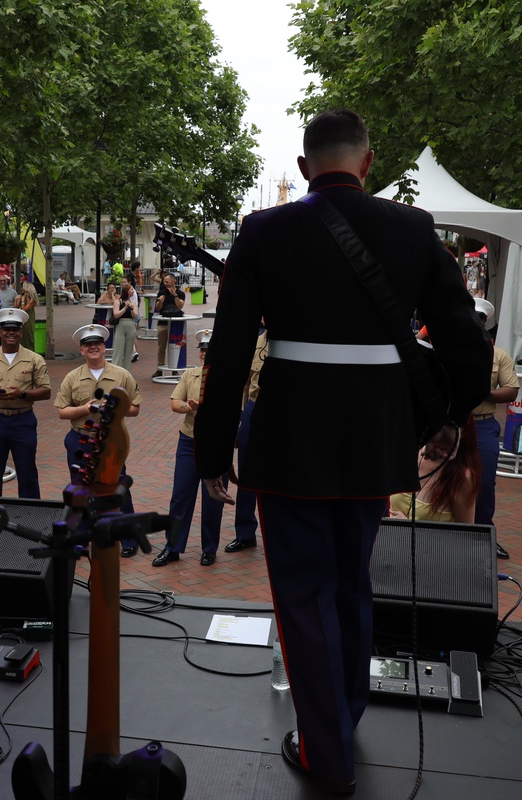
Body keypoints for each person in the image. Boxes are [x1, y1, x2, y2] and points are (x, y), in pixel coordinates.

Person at [194, 109, 491, 795]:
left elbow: (231, 350)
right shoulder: (413, 228)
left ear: (304, 168)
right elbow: (465, 346)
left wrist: (213, 451)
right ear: (368, 162)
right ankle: (342, 717)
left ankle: (326, 752)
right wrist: (444, 416)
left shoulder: (264, 230)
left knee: (304, 594)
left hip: (290, 437)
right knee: (352, 584)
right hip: (372, 440)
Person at [54, 324, 142, 556]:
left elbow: (135, 409)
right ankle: (81, 538)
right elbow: (62, 412)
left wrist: (114, 409)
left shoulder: (122, 375)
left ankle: (128, 539)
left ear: (104, 347)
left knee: (119, 487)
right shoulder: (72, 377)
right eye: (87, 345)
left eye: (97, 344)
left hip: (111, 441)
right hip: (79, 439)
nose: (93, 348)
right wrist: (83, 408)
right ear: (82, 351)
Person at [152, 330, 227, 567]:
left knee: (213, 497)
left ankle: (209, 548)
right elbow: (175, 403)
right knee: (181, 495)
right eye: (202, 351)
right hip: (189, 441)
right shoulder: (189, 375)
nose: (205, 354)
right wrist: (188, 406)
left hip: (215, 443)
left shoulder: (226, 377)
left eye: (209, 350)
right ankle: (172, 547)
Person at [0, 308, 51, 497]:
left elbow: (46, 391)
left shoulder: (34, 359)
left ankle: (31, 516)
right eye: (6, 329)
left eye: (15, 329)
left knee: (28, 475)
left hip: (22, 421)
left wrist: (22, 394)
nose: (11, 333)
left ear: (21, 332)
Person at [471, 297, 519, 558]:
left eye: (479, 319)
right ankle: (444, 531)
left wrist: (487, 394)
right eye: (471, 318)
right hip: (453, 425)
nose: (475, 323)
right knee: (440, 477)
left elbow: (512, 390)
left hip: (482, 425)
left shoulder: (499, 355)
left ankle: (484, 536)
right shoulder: (450, 349)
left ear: (485, 322)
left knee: (485, 483)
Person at [390, 416, 481, 523]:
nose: (443, 432)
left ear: (464, 431)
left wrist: (410, 529)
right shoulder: (412, 452)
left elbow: (466, 535)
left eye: (450, 426)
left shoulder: (463, 477)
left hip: (426, 539)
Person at [225, 328, 267, 553]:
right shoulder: (254, 341)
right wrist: (241, 418)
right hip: (252, 406)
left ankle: (277, 533)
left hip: (278, 410)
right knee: (247, 473)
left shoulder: (291, 338)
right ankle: (245, 533)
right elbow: (245, 383)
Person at [153, 271, 185, 378]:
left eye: (167, 282)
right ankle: (159, 368)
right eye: (164, 282)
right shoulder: (161, 292)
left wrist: (175, 296)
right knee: (161, 346)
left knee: (174, 347)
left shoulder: (180, 293)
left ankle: (174, 368)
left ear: (173, 281)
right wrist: (160, 301)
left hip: (175, 325)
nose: (165, 283)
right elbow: (157, 308)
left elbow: (180, 306)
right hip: (163, 323)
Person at [110, 275, 139, 371]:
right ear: (126, 291)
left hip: (130, 326)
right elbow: (116, 314)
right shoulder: (118, 302)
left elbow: (135, 316)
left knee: (128, 352)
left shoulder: (133, 303)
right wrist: (125, 308)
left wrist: (131, 308)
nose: (132, 291)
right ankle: (115, 370)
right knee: (118, 350)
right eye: (131, 289)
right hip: (120, 326)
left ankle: (126, 371)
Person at [15, 272, 39, 351]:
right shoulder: (23, 297)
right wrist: (17, 299)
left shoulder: (32, 299)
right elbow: (16, 307)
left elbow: (25, 309)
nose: (22, 289)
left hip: (28, 321)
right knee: (22, 338)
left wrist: (22, 301)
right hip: (21, 320)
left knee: (28, 338)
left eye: (23, 287)